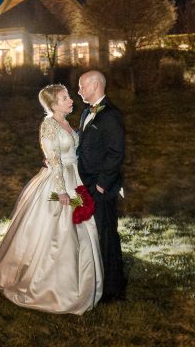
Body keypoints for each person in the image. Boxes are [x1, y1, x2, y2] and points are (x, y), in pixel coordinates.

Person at [0, 84, 103, 314]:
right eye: (65, 98)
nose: (70, 100)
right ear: (53, 104)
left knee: (82, 225)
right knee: (61, 228)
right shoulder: (48, 126)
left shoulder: (66, 123)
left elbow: (72, 154)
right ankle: (51, 286)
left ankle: (80, 280)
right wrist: (62, 191)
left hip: (73, 179)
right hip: (58, 186)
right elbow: (54, 160)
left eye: (68, 96)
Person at [76, 70, 127, 302]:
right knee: (95, 236)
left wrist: (101, 186)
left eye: (82, 87)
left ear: (95, 85)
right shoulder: (87, 111)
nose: (79, 91)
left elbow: (116, 153)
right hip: (86, 184)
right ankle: (99, 282)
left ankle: (113, 291)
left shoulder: (111, 115)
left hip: (101, 189)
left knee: (107, 236)